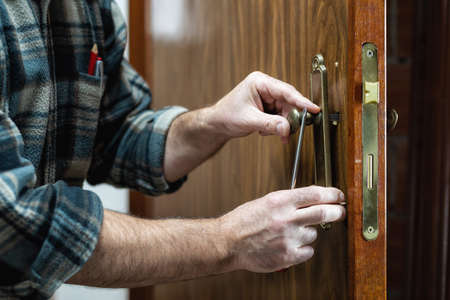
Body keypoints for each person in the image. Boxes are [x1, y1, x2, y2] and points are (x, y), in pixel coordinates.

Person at [0, 1, 346, 299]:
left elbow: (114, 134)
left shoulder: (89, 7)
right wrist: (230, 241)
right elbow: (18, 224)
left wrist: (211, 124)